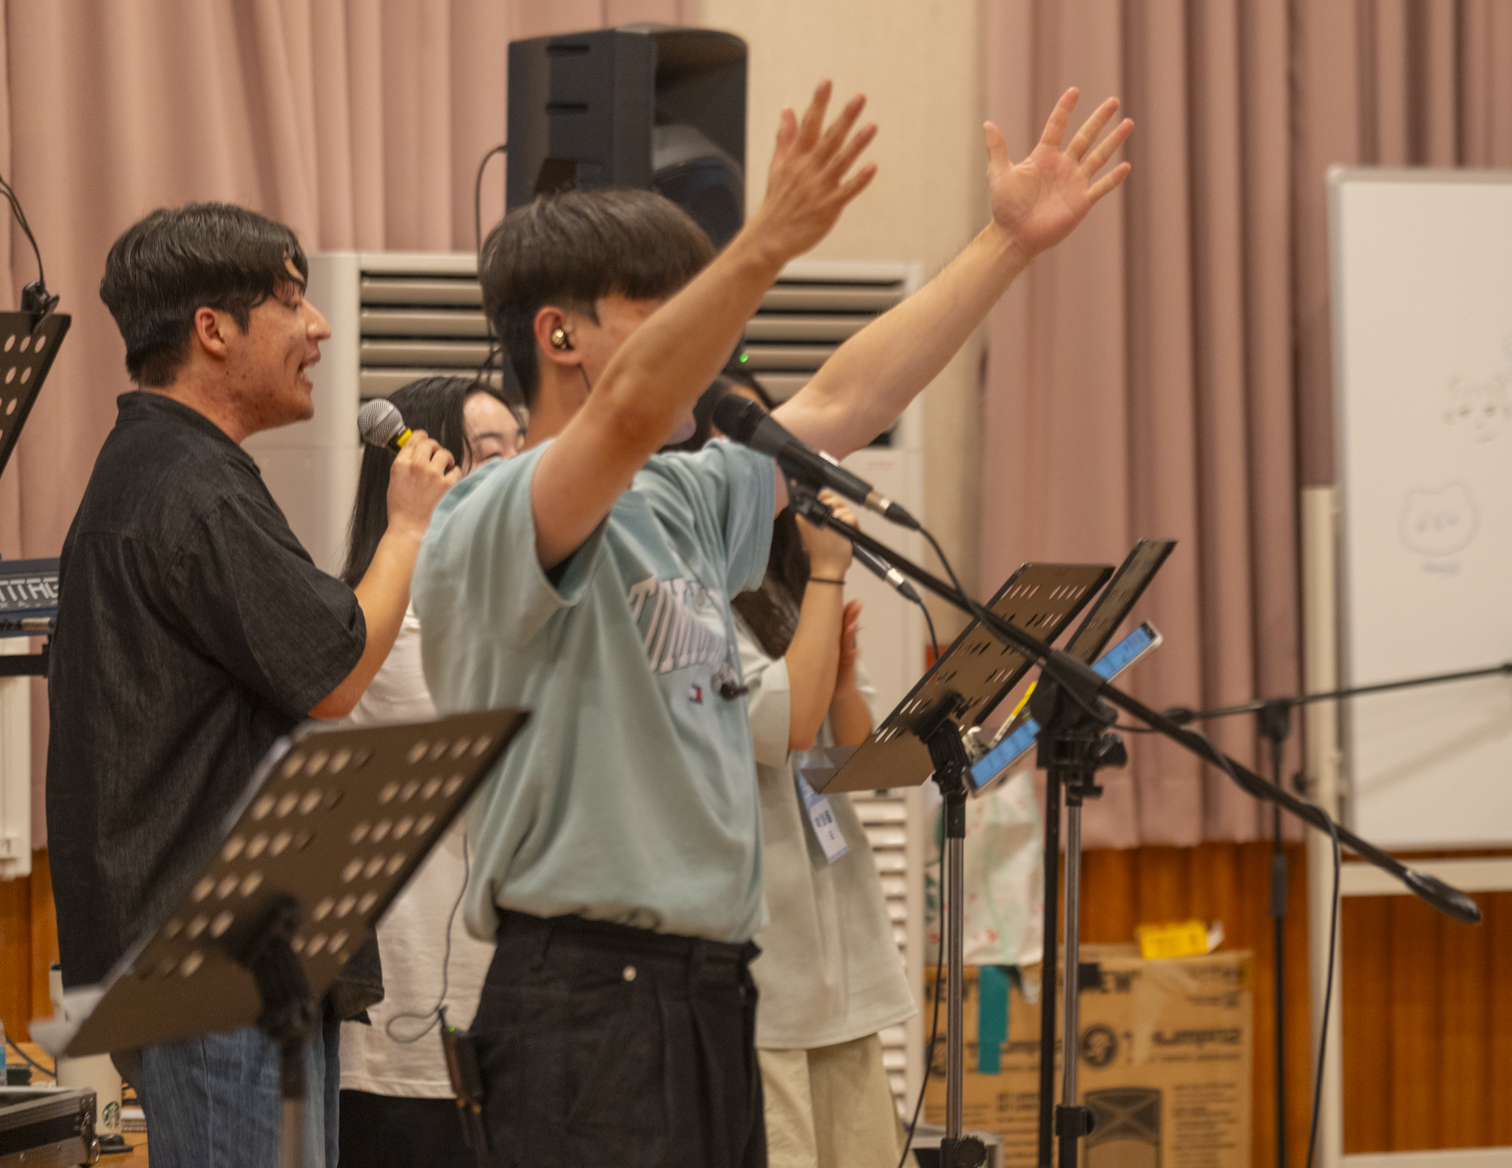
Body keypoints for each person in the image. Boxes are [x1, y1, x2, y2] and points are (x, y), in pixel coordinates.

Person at [413, 82, 1131, 1168]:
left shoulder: (684, 498)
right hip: (582, 998)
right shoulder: (492, 512)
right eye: (665, 309)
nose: (715, 340)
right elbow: (622, 412)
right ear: (559, 335)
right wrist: (764, 245)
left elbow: (844, 400)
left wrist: (1008, 243)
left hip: (714, 984)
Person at [46, 203, 459, 1168]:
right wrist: (406, 529)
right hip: (215, 961)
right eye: (292, 301)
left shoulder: (166, 467)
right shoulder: (189, 484)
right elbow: (336, 673)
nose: (320, 327)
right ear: (213, 329)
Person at [681, 373, 916, 1167]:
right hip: (763, 959)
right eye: (737, 442)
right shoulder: (688, 590)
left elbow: (853, 750)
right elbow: (787, 726)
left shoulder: (780, 585)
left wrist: (843, 676)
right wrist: (829, 572)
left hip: (837, 945)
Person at [333, 377, 524, 1168]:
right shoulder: (389, 628)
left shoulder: (515, 612)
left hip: (514, 1014)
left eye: (524, 450)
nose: (521, 471)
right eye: (491, 454)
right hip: (412, 1035)